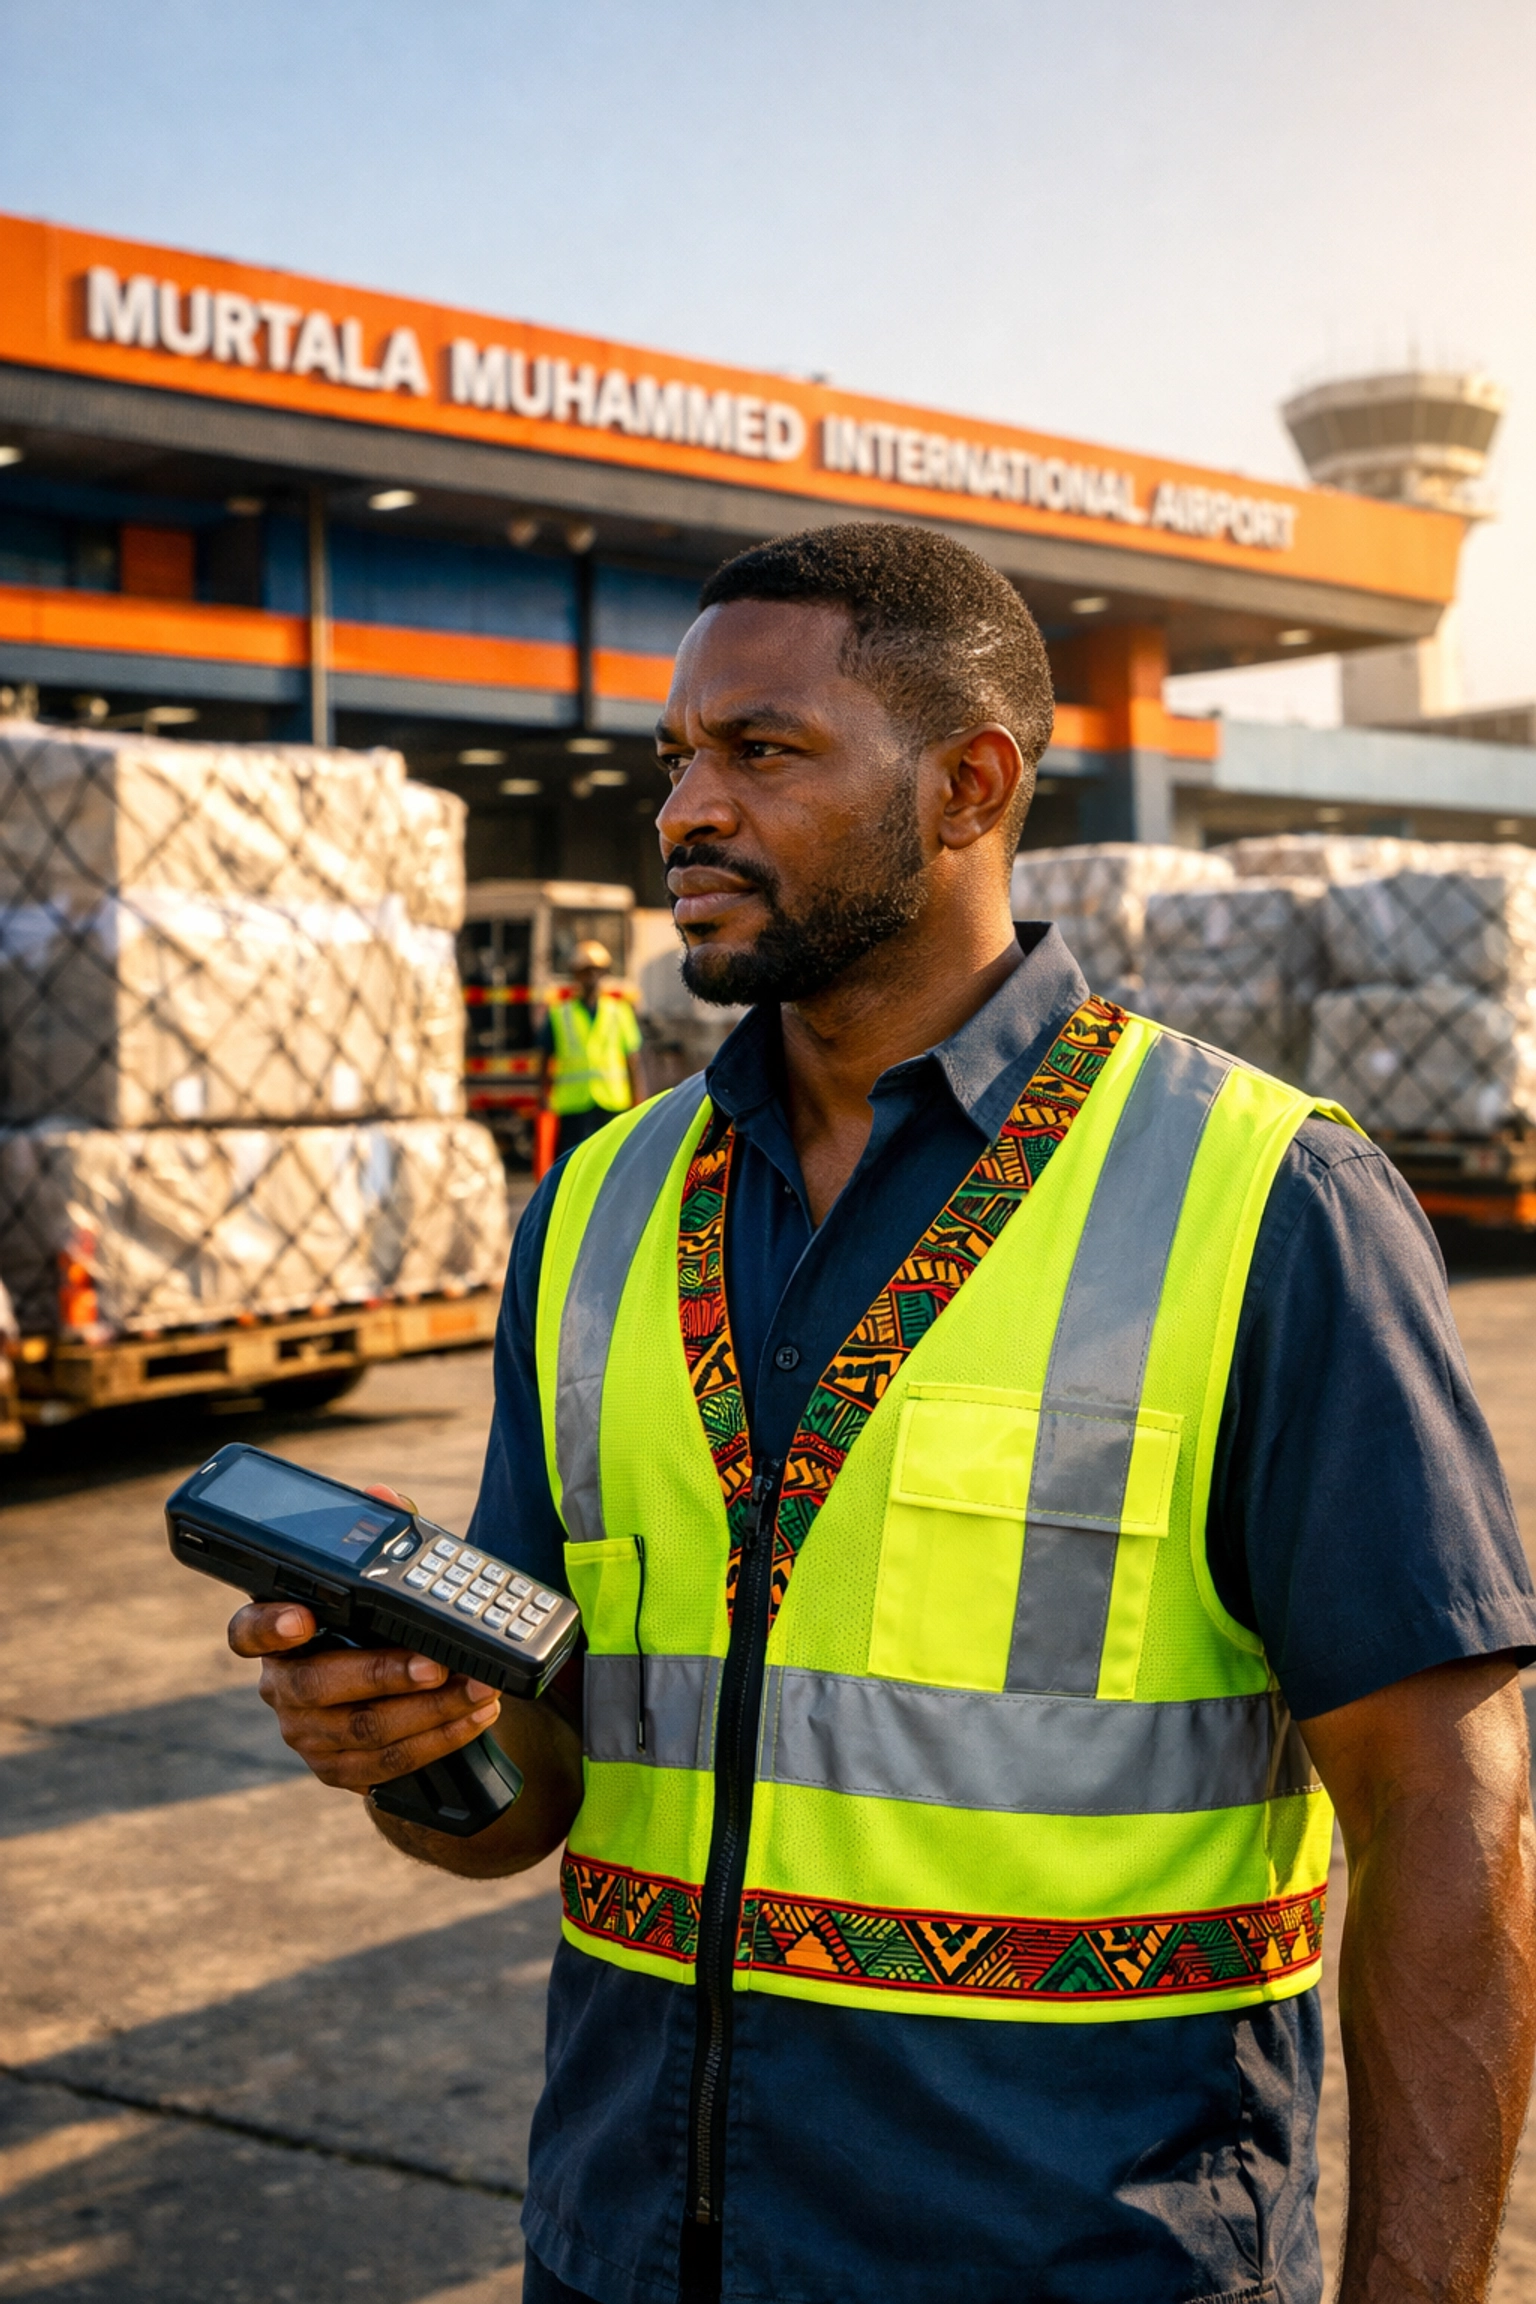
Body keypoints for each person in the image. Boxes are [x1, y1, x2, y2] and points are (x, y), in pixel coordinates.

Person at [232, 523, 1536, 2304]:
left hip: (1077, 2263)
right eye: (675, 757)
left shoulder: (1264, 1198)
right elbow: (525, 1795)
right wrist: (406, 1740)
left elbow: (1447, 1807)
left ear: (967, 787)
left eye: (760, 750)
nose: (685, 809)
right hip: (622, 2252)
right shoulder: (599, 1209)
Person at [539, 938, 645, 1158]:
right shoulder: (560, 1013)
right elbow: (545, 1057)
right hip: (573, 1104)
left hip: (612, 1101)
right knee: (573, 1162)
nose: (592, 977)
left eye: (597, 971)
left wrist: (638, 1099)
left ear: (605, 973)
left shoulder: (620, 1011)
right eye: (585, 971)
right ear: (575, 974)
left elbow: (632, 1059)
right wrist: (542, 1094)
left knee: (611, 1161)